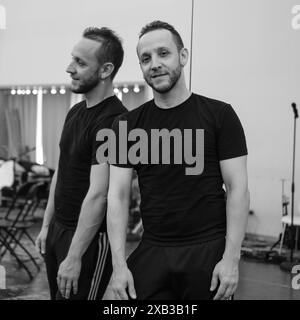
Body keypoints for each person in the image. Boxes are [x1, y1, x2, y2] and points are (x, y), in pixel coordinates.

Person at [107, 21, 250, 300]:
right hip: (152, 249)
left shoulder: (220, 115)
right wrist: (118, 265)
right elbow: (118, 195)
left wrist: (231, 259)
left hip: (206, 252)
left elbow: (238, 191)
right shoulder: (125, 126)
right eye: (145, 59)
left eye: (164, 53)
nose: (155, 64)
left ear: (183, 57)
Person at [35, 27, 127, 300]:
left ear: (105, 70)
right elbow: (61, 173)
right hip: (58, 231)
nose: (69, 68)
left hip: (87, 241)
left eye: (80, 62)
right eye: (72, 59)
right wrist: (46, 225)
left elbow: (99, 195)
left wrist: (75, 255)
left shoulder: (116, 122)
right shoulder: (76, 111)